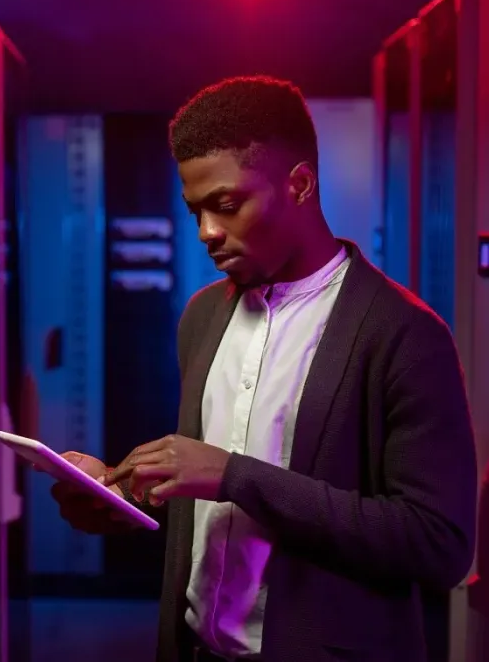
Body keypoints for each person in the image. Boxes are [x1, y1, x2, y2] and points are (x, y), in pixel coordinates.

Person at [51, 75, 477, 662]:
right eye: (195, 210)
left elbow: (438, 545)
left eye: (226, 205)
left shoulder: (405, 334)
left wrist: (234, 474)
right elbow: (207, 499)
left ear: (299, 184)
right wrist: (124, 500)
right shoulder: (203, 316)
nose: (207, 233)